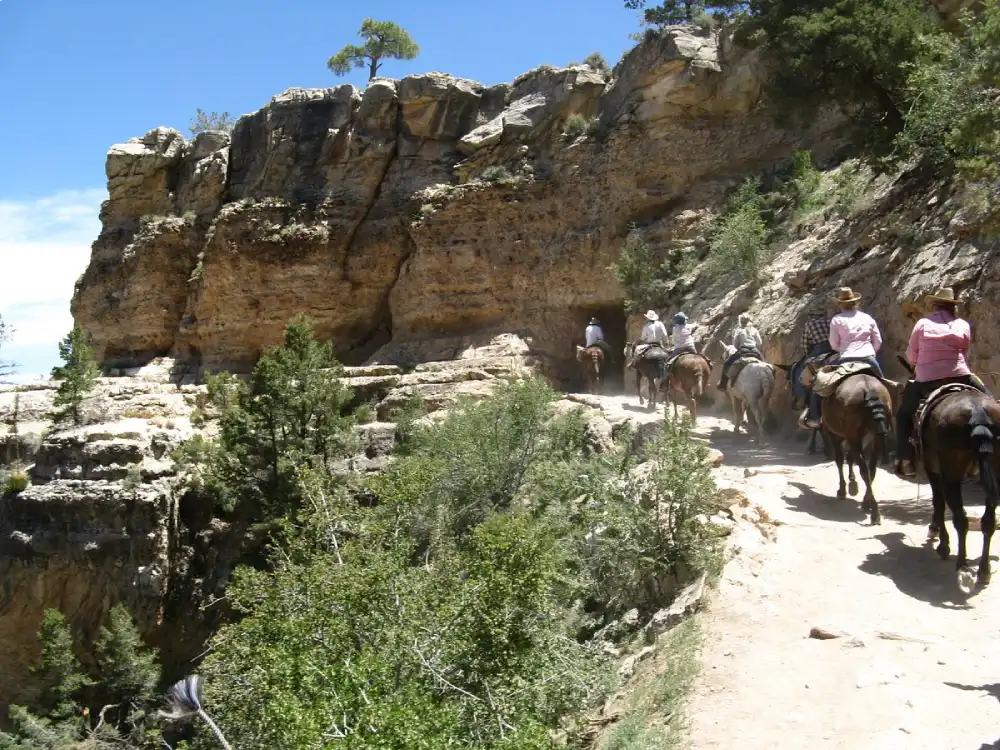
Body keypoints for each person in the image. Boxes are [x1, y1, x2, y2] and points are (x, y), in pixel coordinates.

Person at [894, 287, 994, 477]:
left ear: (934, 305)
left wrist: (921, 362)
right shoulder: (962, 324)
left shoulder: (922, 324)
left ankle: (906, 459)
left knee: (904, 415)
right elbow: (964, 352)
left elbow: (911, 355)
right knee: (991, 402)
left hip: (927, 379)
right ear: (952, 306)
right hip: (960, 374)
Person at [803, 287, 884, 429]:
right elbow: (878, 341)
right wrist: (870, 352)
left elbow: (833, 344)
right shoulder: (867, 318)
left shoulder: (837, 320)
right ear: (856, 303)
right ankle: (892, 416)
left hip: (845, 359)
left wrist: (844, 349)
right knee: (887, 386)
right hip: (869, 359)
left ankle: (814, 418)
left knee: (819, 384)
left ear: (840, 304)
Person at [791, 302, 833, 403]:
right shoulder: (828, 321)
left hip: (819, 349)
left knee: (799, 370)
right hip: (833, 347)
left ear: (811, 314)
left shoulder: (810, 323)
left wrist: (807, 354)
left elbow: (804, 342)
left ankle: (801, 398)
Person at [719, 313, 763, 392]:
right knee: (763, 363)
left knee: (726, 363)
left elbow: (735, 344)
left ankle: (723, 385)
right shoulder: (754, 330)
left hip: (743, 352)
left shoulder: (739, 331)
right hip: (755, 352)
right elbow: (759, 343)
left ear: (740, 321)